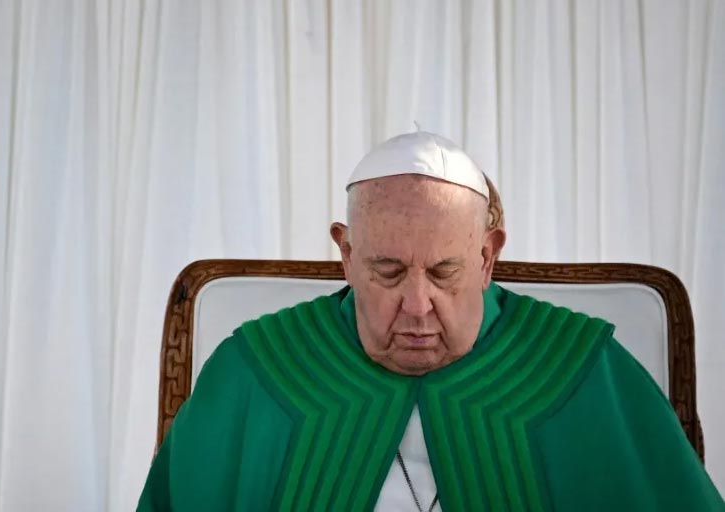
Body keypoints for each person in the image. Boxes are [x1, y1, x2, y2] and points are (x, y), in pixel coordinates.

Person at [138, 132, 724, 511]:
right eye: (387, 271)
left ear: (487, 256)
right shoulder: (259, 368)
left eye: (445, 272)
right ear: (346, 253)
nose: (417, 306)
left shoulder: (578, 368)